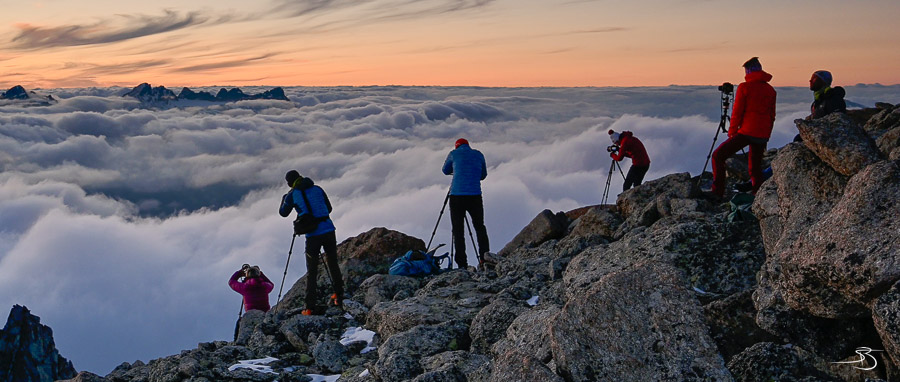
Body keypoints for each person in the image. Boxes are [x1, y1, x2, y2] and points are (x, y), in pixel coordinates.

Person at [710, 57, 776, 199]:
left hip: (747, 131)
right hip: (762, 133)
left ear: (748, 71)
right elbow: (772, 115)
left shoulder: (745, 87)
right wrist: (767, 134)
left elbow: (737, 112)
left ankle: (717, 191)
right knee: (755, 166)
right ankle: (758, 195)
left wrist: (732, 131)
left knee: (718, 156)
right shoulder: (770, 90)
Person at [279, 170, 343, 315]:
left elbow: (283, 213)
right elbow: (329, 208)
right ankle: (339, 295)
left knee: (312, 271)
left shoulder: (292, 195)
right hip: (329, 229)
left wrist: (284, 199)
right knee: (333, 263)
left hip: (313, 235)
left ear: (289, 183)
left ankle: (309, 307)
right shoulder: (317, 188)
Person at [442, 138, 489, 269]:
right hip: (475, 195)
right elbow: (483, 175)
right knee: (480, 227)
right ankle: (485, 258)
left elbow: (445, 170)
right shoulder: (479, 154)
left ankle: (462, 263)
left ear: (457, 146)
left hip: (456, 195)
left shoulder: (453, 154)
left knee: (458, 230)